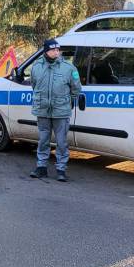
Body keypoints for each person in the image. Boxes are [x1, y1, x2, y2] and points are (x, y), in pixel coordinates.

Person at [28, 38, 81, 182]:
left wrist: (64, 101)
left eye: (58, 49)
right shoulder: (37, 67)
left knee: (62, 142)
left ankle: (61, 169)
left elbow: (76, 89)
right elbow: (34, 85)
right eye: (53, 49)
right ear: (46, 51)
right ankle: (41, 168)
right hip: (43, 110)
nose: (56, 52)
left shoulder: (69, 68)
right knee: (43, 140)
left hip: (61, 111)